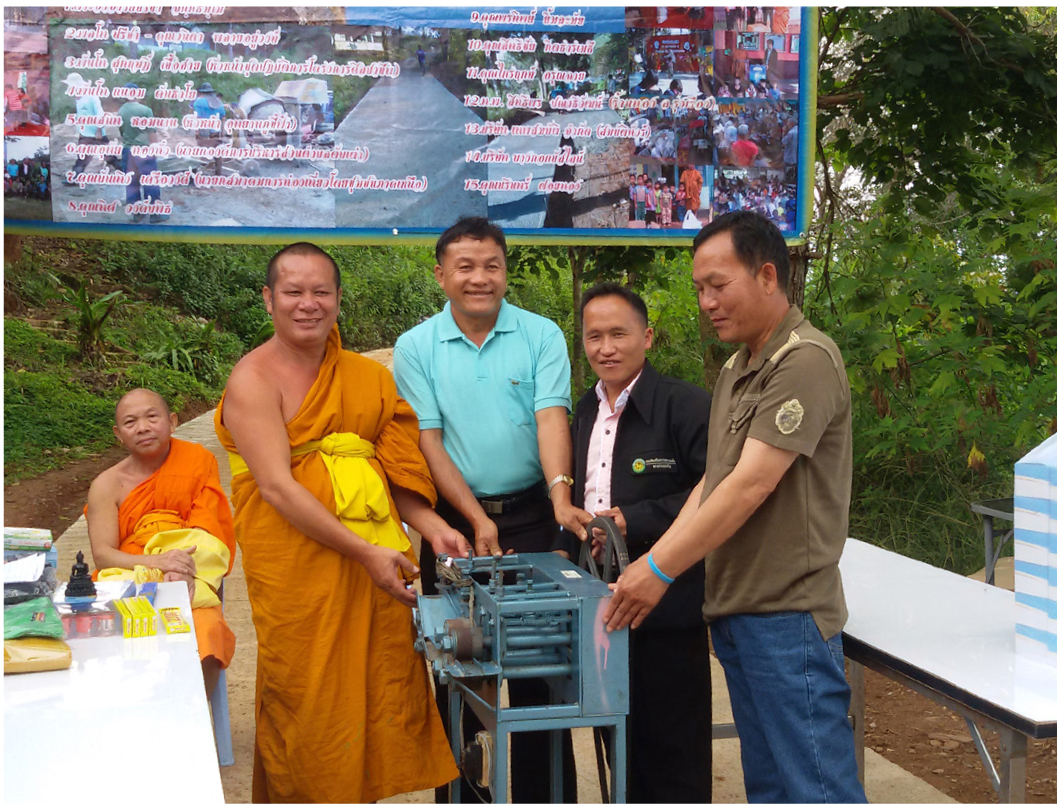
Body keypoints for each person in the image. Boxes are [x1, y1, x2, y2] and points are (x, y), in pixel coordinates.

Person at [603, 211, 867, 804]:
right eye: (700, 289)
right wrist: (656, 563)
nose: (706, 302)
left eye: (718, 285)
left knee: (816, 786)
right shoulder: (738, 369)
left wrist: (659, 569)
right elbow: (712, 483)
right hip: (736, 609)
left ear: (767, 276)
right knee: (770, 788)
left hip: (787, 614)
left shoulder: (805, 362)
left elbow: (750, 485)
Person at [214, 242, 462, 803]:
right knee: (306, 702)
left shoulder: (365, 377)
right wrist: (364, 552)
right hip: (303, 572)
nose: (309, 304)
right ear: (268, 299)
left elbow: (391, 468)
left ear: (339, 300)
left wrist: (431, 525)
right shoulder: (253, 379)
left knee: (373, 696)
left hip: (372, 566)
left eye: (321, 292)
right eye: (294, 292)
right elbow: (277, 486)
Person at [394, 217, 587, 803]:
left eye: (492, 266)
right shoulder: (415, 346)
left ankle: (544, 797)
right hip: (454, 528)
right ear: (441, 276)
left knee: (541, 680)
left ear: (506, 272)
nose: (480, 278)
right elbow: (428, 440)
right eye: (465, 267)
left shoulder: (541, 334)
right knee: (461, 678)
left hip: (533, 518)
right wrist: (476, 520)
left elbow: (551, 416)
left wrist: (560, 497)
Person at [571, 283, 713, 802]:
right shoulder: (585, 409)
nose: (605, 348)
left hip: (669, 604)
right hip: (603, 606)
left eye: (618, 334)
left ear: (647, 337)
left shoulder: (686, 406)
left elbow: (718, 494)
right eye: (593, 337)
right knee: (618, 741)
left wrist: (636, 517)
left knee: (674, 747)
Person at [85, 388, 236, 697]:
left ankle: (195, 717)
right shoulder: (106, 485)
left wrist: (183, 569)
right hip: (130, 576)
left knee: (204, 628)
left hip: (187, 574)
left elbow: (208, 532)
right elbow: (103, 555)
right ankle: (133, 707)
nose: (142, 427)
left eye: (152, 417)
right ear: (118, 434)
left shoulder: (197, 461)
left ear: (172, 421)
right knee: (108, 631)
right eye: (130, 422)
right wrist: (155, 563)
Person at [117, 83, 167, 223]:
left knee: (132, 183)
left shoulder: (121, 111)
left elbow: (121, 132)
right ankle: (155, 213)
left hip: (128, 150)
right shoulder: (145, 110)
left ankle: (137, 213)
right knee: (150, 181)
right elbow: (151, 132)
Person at [63, 73, 120, 180]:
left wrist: (99, 129)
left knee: (110, 158)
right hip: (84, 134)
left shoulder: (92, 97)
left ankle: (128, 173)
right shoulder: (78, 98)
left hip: (96, 134)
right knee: (82, 158)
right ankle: (75, 178)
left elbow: (100, 113)